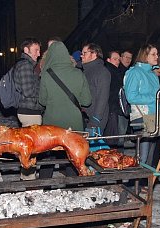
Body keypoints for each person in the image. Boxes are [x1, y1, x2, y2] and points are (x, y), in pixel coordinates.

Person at [38, 41, 92, 178]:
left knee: (48, 156)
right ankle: (72, 185)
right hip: (73, 124)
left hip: (52, 125)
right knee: (72, 156)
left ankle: (44, 183)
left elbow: (42, 101)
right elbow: (87, 101)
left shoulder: (46, 75)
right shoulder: (78, 73)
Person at [124, 44, 160, 167]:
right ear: (145, 56)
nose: (156, 56)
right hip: (142, 116)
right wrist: (154, 98)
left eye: (157, 54)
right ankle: (136, 182)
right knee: (143, 154)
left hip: (155, 115)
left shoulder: (153, 73)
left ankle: (145, 182)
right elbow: (131, 97)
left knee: (152, 154)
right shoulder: (135, 72)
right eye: (153, 54)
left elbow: (154, 94)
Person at [14, 37, 43, 180]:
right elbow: (28, 91)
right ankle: (28, 178)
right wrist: (44, 91)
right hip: (29, 111)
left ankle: (27, 175)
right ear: (26, 50)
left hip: (29, 110)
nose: (39, 53)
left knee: (29, 146)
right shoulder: (25, 66)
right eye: (36, 50)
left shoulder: (27, 65)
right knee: (30, 147)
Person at [81, 43, 111, 134]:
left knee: (94, 147)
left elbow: (103, 97)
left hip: (95, 119)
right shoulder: (85, 71)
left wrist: (95, 120)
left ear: (94, 54)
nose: (81, 55)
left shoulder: (102, 72)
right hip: (85, 117)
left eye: (84, 53)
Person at [104, 50, 128, 149]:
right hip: (114, 109)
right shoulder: (110, 72)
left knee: (117, 137)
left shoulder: (117, 71)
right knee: (116, 138)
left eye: (118, 59)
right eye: (115, 59)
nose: (117, 61)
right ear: (108, 60)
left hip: (116, 108)